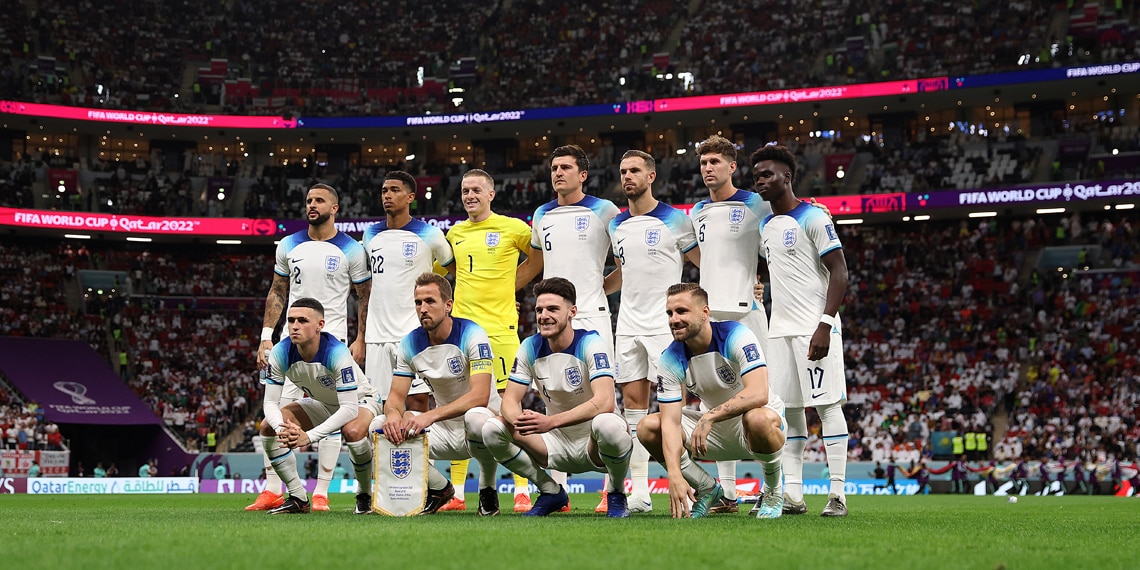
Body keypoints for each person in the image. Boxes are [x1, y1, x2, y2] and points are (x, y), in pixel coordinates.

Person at [251, 183, 371, 512]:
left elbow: (364, 296)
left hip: (333, 345)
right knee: (276, 416)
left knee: (333, 413)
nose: (312, 205)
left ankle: (321, 492)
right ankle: (275, 488)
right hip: (294, 343)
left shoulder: (351, 249)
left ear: (335, 208)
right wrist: (266, 334)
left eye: (319, 200)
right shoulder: (289, 244)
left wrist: (361, 338)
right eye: (308, 200)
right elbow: (277, 291)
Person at [515, 144, 621, 513]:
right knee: (550, 393)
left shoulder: (605, 210)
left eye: (565, 167)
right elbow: (534, 266)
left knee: (605, 399)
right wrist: (498, 291)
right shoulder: (541, 213)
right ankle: (555, 488)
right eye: (554, 167)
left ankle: (612, 489)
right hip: (552, 314)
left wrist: (598, 290)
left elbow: (625, 262)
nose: (558, 173)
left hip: (592, 314)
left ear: (583, 174)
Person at [481, 278, 633, 517]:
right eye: (539, 309)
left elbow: (605, 402)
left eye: (552, 309)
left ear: (572, 312)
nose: (543, 315)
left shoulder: (591, 343)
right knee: (491, 428)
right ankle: (550, 491)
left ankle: (615, 492)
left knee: (609, 423)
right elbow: (510, 400)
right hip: (553, 444)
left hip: (595, 445)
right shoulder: (530, 346)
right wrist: (520, 421)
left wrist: (550, 422)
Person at [753, 143, 850, 517]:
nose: (761, 180)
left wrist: (824, 325)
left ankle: (837, 494)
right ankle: (792, 494)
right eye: (757, 175)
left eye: (768, 174)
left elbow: (840, 272)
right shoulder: (765, 225)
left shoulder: (813, 218)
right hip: (779, 330)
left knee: (827, 406)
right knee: (790, 412)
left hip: (815, 326)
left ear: (787, 177)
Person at [602, 150, 701, 513]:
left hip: (666, 325)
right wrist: (592, 291)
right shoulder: (616, 225)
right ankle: (640, 492)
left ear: (651, 176)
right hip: (627, 324)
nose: (627, 177)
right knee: (633, 409)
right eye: (623, 171)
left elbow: (702, 264)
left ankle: (690, 484)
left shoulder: (675, 219)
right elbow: (623, 274)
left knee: (673, 408)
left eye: (635, 171)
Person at [637, 283, 787, 519]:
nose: (674, 319)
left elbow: (759, 393)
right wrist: (674, 474)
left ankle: (773, 490)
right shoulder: (670, 358)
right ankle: (707, 487)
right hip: (713, 433)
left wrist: (710, 415)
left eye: (682, 311)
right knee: (648, 427)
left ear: (705, 312)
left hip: (753, 424)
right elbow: (670, 423)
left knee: (757, 418)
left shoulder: (736, 334)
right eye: (669, 313)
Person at [440, 169, 535, 513]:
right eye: (465, 190)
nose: (470, 196)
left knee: (509, 410)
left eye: (477, 189)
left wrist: (513, 284)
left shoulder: (514, 228)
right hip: (464, 336)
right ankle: (458, 493)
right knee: (465, 408)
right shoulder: (455, 233)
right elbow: (442, 275)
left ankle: (523, 488)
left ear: (491, 193)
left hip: (502, 334)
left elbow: (538, 258)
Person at [371, 273, 503, 516]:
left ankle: (487, 488)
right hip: (443, 430)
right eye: (418, 303)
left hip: (484, 430)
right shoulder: (410, 343)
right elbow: (395, 398)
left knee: (477, 417)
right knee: (378, 426)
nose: (423, 309)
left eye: (430, 301)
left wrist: (429, 416)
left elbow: (480, 396)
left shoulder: (472, 334)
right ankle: (440, 488)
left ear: (448, 305)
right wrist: (391, 414)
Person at [688, 135, 774, 510]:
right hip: (710, 316)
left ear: (732, 166)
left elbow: (782, 235)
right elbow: (704, 254)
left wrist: (760, 280)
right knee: (716, 397)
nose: (708, 168)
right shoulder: (696, 211)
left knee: (759, 395)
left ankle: (776, 486)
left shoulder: (756, 202)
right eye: (704, 162)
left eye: (715, 162)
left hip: (746, 314)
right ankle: (726, 494)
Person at [259, 298, 381, 515]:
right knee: (268, 426)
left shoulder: (336, 351)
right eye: (291, 320)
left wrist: (309, 437)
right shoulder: (280, 352)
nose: (295, 326)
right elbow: (269, 402)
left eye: (303, 320)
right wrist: (281, 429)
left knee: (352, 431)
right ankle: (298, 497)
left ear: (320, 325)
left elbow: (350, 409)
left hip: (361, 401)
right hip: (322, 403)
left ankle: (364, 495)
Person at [360, 171, 450, 407]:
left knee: (417, 400)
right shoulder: (370, 234)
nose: (387, 195)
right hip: (376, 335)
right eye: (384, 191)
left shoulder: (430, 234)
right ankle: (381, 446)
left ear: (410, 197)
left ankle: (418, 446)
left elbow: (456, 271)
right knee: (377, 403)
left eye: (394, 190)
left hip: (414, 330)